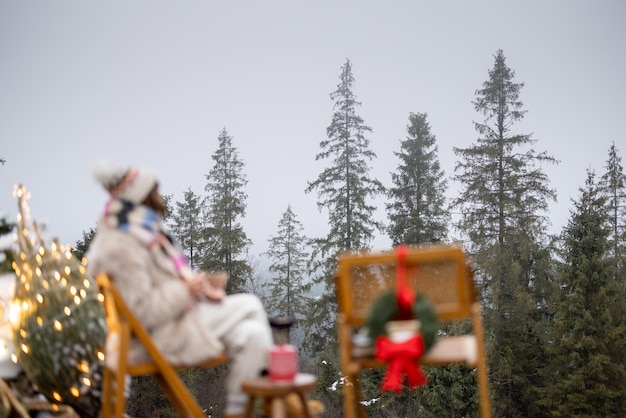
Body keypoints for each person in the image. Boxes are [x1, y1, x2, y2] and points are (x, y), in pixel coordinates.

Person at [85, 161, 322, 417]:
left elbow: (159, 285)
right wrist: (187, 290)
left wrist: (202, 286)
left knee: (253, 335)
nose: (160, 197)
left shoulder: (139, 230)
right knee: (251, 303)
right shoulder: (121, 245)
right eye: (154, 191)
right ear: (140, 198)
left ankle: (241, 411)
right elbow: (140, 310)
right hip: (151, 338)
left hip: (171, 322)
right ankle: (283, 405)